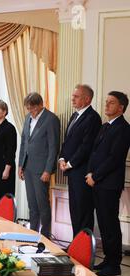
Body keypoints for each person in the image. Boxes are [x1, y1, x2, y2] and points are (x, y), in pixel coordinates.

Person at [86, 91, 130, 276]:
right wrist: (89, 172)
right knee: (103, 223)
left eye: (111, 103)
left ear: (121, 107)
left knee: (110, 223)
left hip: (109, 184)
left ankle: (115, 265)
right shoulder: (105, 126)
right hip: (97, 181)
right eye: (106, 102)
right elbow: (94, 153)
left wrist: (95, 176)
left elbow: (114, 158)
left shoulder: (124, 128)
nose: (107, 105)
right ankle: (108, 259)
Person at [58, 85, 101, 238]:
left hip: (82, 172)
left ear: (87, 99)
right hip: (72, 171)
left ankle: (85, 247)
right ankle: (77, 244)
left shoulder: (93, 118)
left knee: (84, 211)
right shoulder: (74, 115)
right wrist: (62, 158)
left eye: (76, 96)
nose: (72, 99)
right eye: (73, 95)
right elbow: (67, 142)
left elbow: (86, 146)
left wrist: (70, 163)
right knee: (75, 210)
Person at [18, 92, 60, 238]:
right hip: (28, 167)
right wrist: (20, 166)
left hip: (42, 169)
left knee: (42, 204)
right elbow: (24, 142)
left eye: (33, 108)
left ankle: (45, 235)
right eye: (28, 109)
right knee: (32, 204)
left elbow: (54, 147)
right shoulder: (27, 117)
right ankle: (32, 233)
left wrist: (48, 170)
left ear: (40, 105)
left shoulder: (51, 119)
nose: (30, 111)